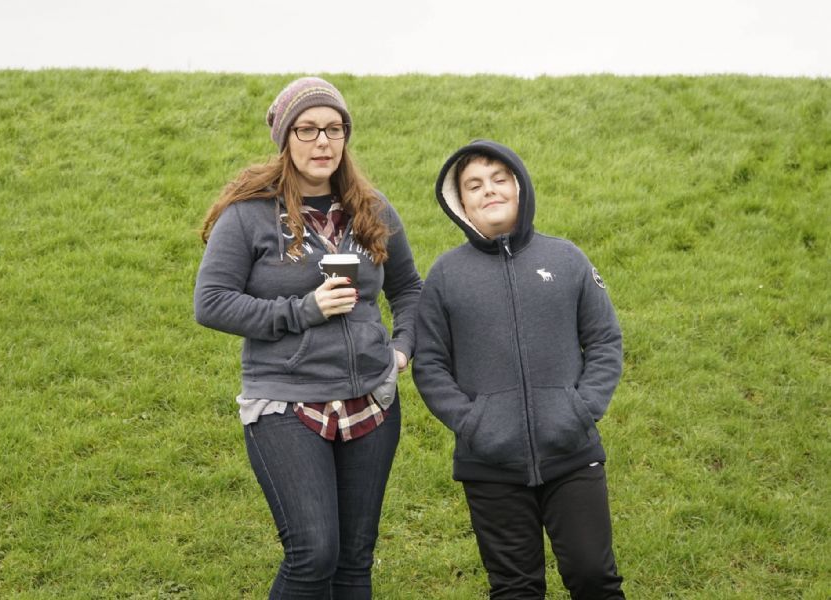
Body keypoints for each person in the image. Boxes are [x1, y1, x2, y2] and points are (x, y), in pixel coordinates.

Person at [194, 77, 422, 599]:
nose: (323, 142)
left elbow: (409, 288)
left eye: (334, 129)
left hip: (370, 401)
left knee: (354, 560)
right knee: (313, 554)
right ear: (285, 138)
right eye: (308, 129)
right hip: (286, 402)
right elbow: (211, 303)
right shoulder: (249, 214)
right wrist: (304, 310)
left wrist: (402, 347)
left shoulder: (372, 208)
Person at [412, 139, 626, 599]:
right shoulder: (445, 276)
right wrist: (473, 423)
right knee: (515, 589)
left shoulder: (566, 259)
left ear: (519, 187)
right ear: (460, 202)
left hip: (572, 454)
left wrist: (581, 409)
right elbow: (429, 363)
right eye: (474, 185)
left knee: (594, 576)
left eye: (498, 179)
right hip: (489, 465)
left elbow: (605, 340)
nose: (488, 190)